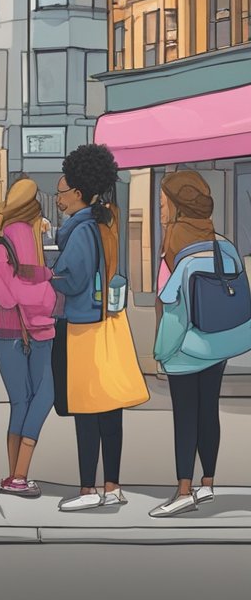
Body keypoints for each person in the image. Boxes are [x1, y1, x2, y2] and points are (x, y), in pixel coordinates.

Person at [50, 144, 148, 512]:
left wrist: (49, 275)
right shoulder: (107, 222)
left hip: (84, 328)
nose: (58, 200)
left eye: (61, 192)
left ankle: (88, 489)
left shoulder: (79, 231)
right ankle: (112, 486)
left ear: (77, 192)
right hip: (110, 322)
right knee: (111, 410)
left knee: (87, 410)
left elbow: (72, 280)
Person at [149, 172, 248, 517]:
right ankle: (207, 482)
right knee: (208, 411)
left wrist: (162, 353)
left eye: (163, 204)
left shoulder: (175, 255)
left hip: (185, 351)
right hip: (218, 344)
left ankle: (182, 490)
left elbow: (173, 316)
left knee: (185, 416)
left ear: (177, 209)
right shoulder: (223, 246)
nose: (160, 210)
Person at [0, 178, 57, 498]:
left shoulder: (8, 236)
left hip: (7, 333)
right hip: (32, 330)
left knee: (21, 401)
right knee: (44, 395)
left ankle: (15, 476)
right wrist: (48, 278)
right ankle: (19, 475)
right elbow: (16, 292)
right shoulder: (21, 234)